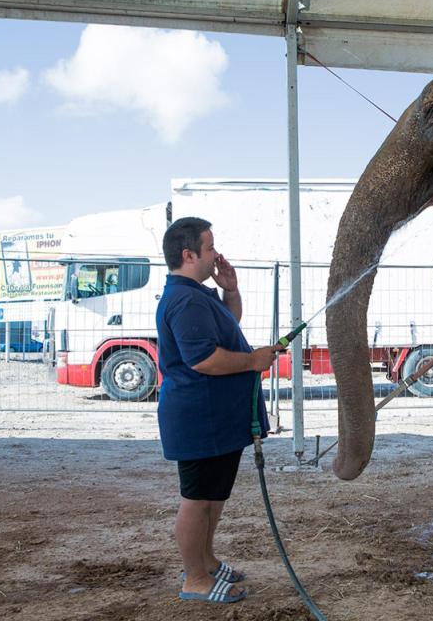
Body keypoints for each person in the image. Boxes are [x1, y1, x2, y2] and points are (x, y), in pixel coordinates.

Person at [156, 217, 281, 604]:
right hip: (199, 418)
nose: (217, 255)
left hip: (216, 418)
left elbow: (230, 325)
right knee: (197, 499)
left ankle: (207, 561)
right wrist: (253, 361)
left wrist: (231, 290)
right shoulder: (185, 299)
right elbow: (204, 359)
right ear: (188, 254)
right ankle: (194, 578)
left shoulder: (199, 294)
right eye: (210, 248)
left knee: (213, 496)